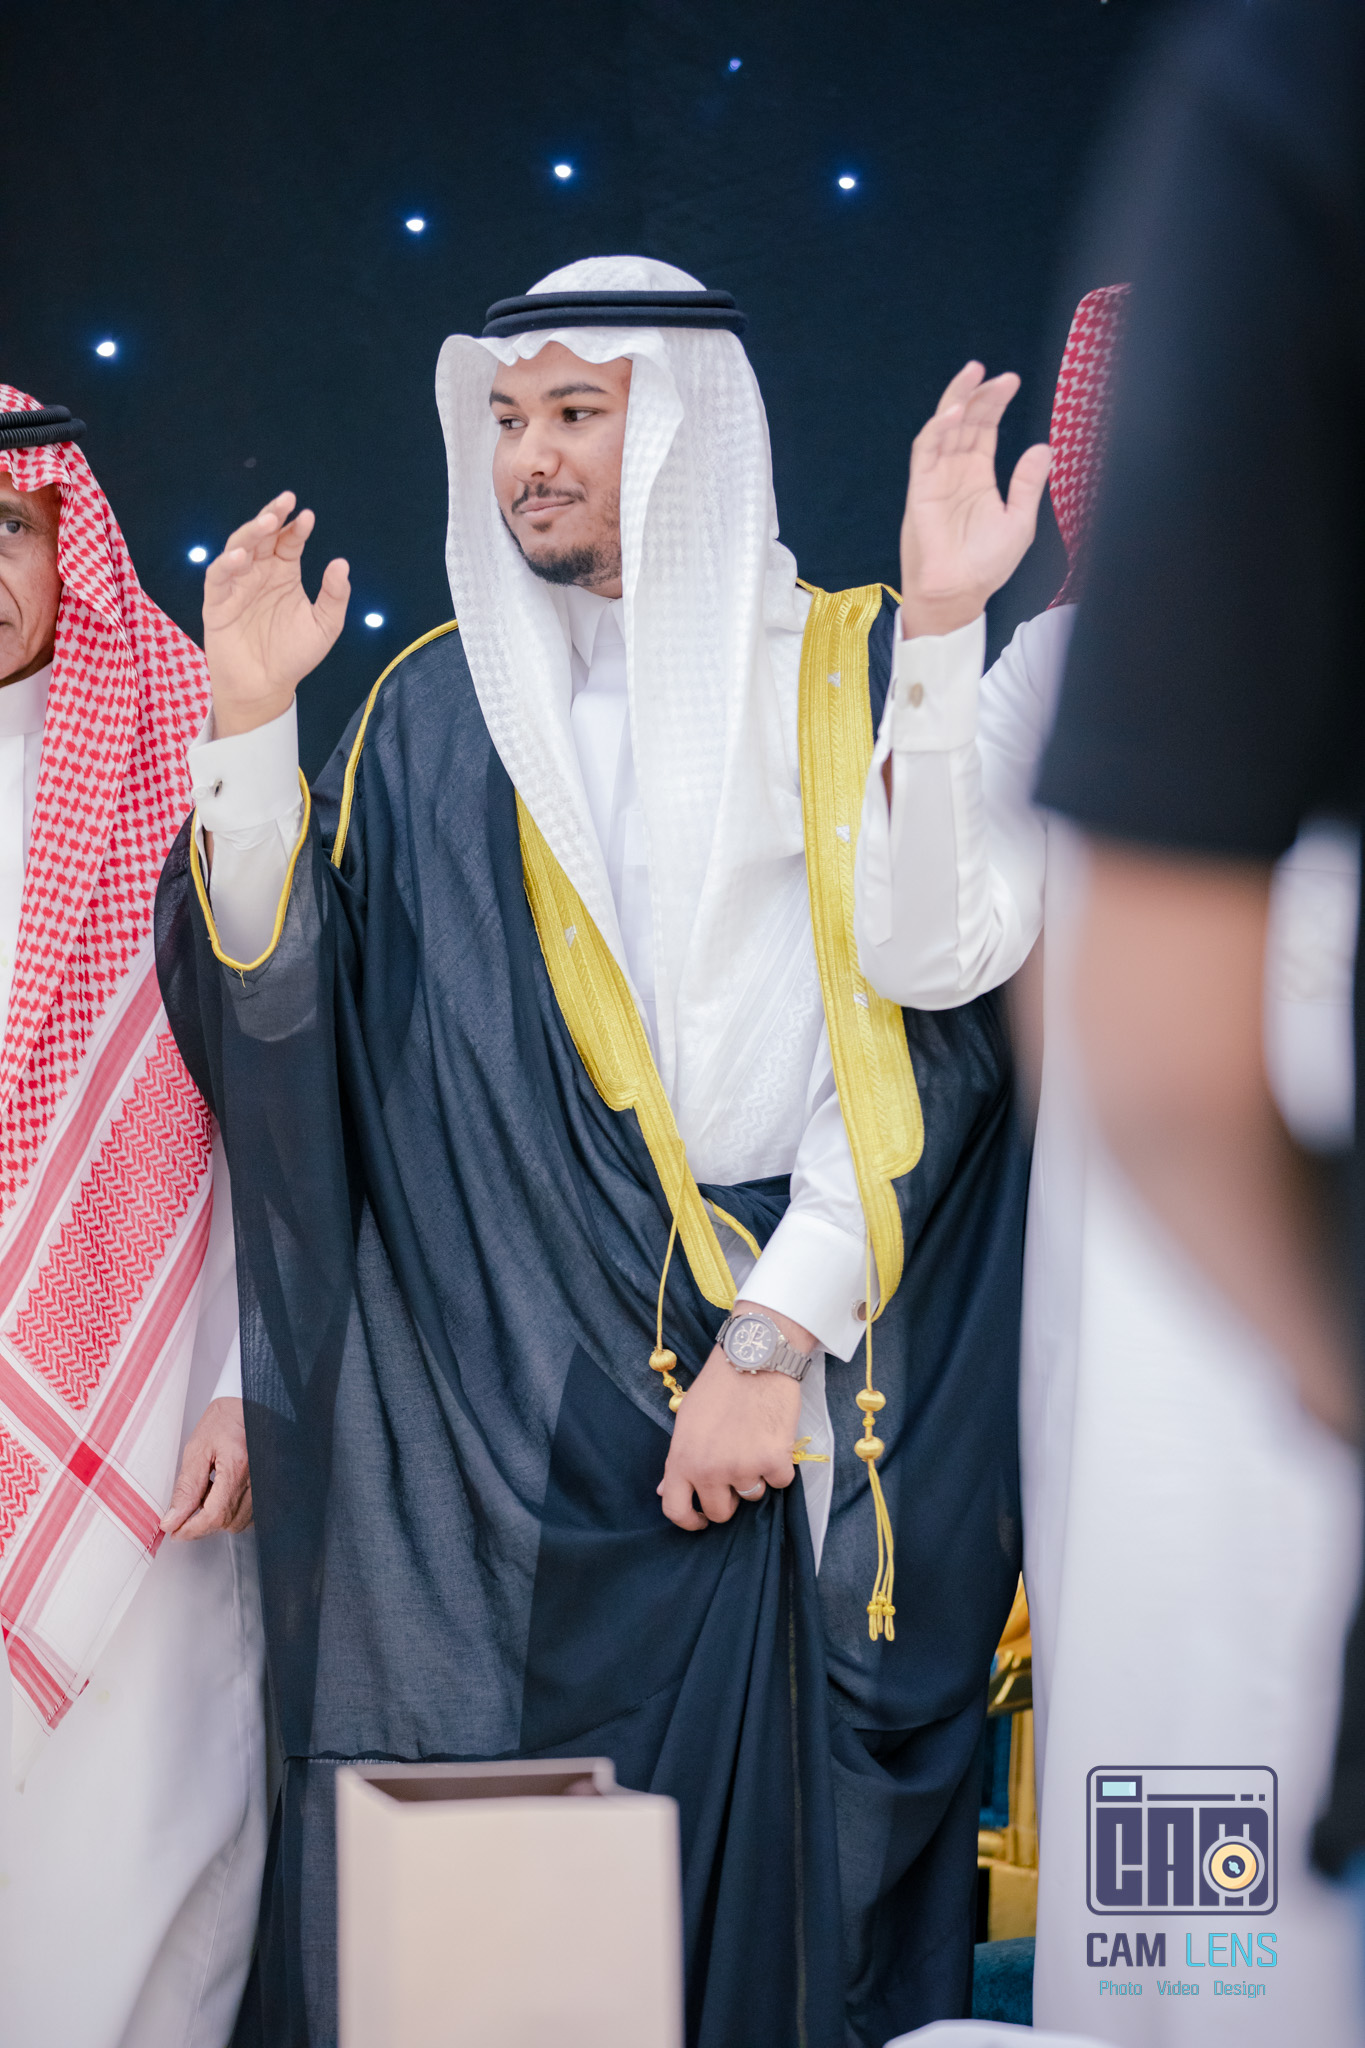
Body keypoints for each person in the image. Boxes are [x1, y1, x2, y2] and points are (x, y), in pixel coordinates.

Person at [155, 255, 1032, 2048]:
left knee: (777, 1915)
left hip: (787, 1406)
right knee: (509, 1919)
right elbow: (302, 1038)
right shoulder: (433, 712)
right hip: (511, 1423)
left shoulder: (849, 669)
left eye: (575, 412)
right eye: (504, 420)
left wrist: (771, 1340)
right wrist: (248, 737)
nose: (529, 458)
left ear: (691, 429)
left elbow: (927, 1029)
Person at [853, 280, 1364, 2043]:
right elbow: (927, 945)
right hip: (1153, 1379)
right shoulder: (1066, 672)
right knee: (1178, 1778)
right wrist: (939, 626)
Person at [1029, 0, 1365, 1977]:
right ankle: (1179, 1992)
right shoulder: (1030, 677)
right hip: (1152, 1288)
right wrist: (938, 636)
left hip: (1269, 1260)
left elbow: (1151, 1018)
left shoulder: (1294, 87)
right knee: (1168, 1663)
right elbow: (933, 946)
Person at [0, 392, 266, 2045]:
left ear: (66, 546)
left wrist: (246, 1376)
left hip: (153, 1403)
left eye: (6, 529)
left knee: (132, 1834)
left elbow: (282, 1108)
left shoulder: (191, 751)